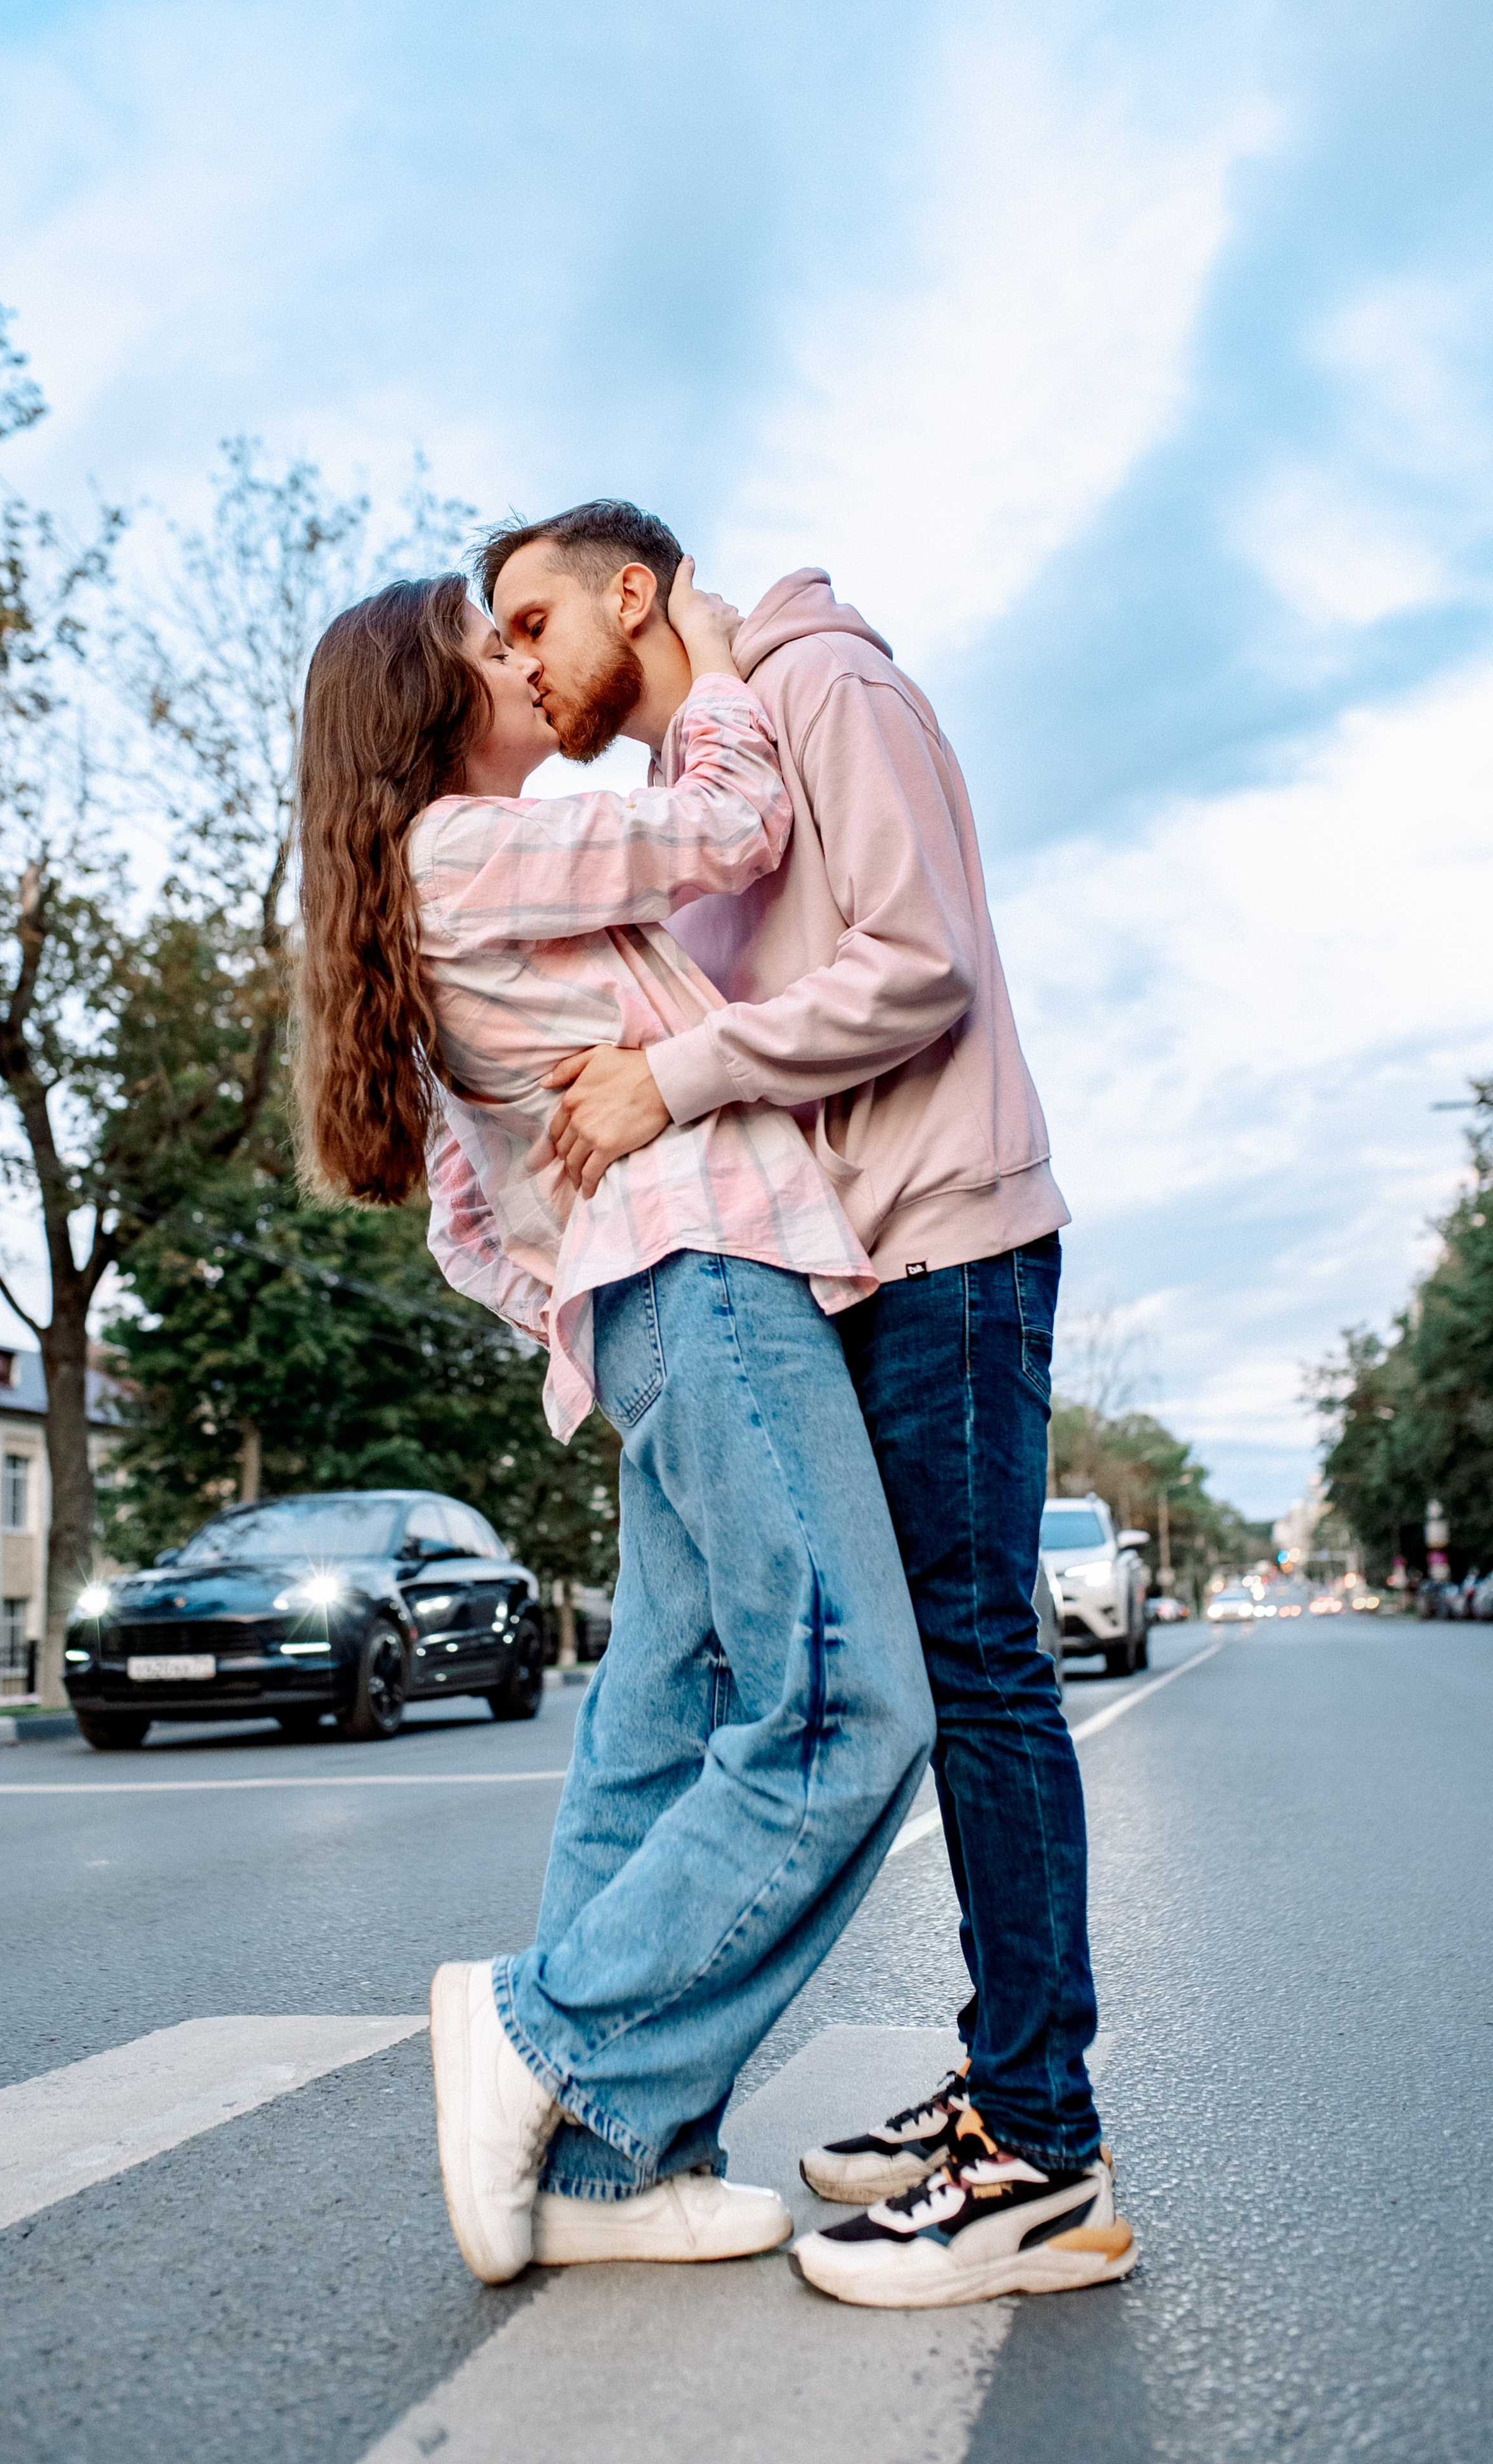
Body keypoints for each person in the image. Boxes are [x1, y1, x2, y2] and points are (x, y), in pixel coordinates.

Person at [476, 501, 1137, 2310]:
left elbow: (917, 969)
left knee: (977, 1672)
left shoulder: (830, 680)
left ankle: (1040, 2157)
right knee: (894, 1663)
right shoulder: (728, 764)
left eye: (534, 621)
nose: (523, 662)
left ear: (637, 589)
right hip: (857, 1268)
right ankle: (1006, 2095)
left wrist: (672, 1080)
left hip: (948, 1244)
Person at [294, 558, 939, 2287]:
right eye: (487, 644)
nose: (522, 658)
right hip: (711, 1277)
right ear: (430, 708)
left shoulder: (436, 893)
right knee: (849, 1704)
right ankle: (548, 2028)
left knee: (657, 1734)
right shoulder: (461, 846)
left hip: (658, 1302)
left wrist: (583, 1292)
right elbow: (728, 827)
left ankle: (609, 2174)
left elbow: (462, 1217)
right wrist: (719, 665)